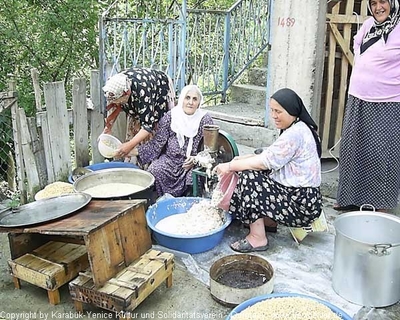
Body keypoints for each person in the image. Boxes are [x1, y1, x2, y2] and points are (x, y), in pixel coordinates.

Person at [213, 88, 323, 253]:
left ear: (292, 111)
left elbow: (264, 162)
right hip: (304, 197)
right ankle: (269, 222)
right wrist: (240, 159)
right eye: (272, 110)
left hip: (301, 205)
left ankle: (258, 238)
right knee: (247, 166)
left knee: (249, 177)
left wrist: (229, 166)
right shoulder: (300, 127)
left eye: (278, 111)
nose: (274, 115)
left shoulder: (295, 134)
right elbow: (271, 153)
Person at [335, 0, 400, 212]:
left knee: (383, 154)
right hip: (357, 97)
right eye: (373, 3)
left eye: (383, 2)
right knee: (352, 150)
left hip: (388, 102)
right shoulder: (368, 25)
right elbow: (357, 44)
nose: (378, 7)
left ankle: (382, 205)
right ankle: (348, 198)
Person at [130, 85, 214, 197]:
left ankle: (188, 203)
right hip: (170, 161)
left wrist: (196, 159)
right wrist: (132, 151)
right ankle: (163, 200)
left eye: (195, 99)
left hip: (192, 163)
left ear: (199, 103)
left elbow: (211, 149)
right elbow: (157, 143)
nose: (190, 102)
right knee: (155, 169)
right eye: (187, 97)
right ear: (182, 99)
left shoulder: (205, 119)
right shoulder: (171, 116)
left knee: (193, 177)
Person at [102, 67, 175, 161]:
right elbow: (114, 107)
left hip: (159, 89)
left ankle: (151, 165)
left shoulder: (143, 91)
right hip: (137, 96)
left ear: (126, 93)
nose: (116, 103)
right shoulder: (116, 86)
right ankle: (133, 161)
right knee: (134, 129)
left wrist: (129, 145)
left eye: (118, 101)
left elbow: (148, 126)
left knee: (152, 136)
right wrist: (107, 129)